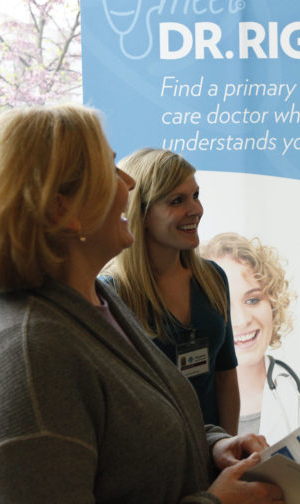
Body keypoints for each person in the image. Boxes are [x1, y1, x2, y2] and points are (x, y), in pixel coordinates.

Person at [0, 104, 282, 504]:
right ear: (62, 209)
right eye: (109, 169)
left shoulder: (95, 302)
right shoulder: (28, 360)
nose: (128, 183)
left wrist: (210, 444)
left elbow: (136, 429)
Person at [103, 148, 240, 435]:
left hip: (214, 454)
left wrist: (230, 451)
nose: (196, 210)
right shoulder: (111, 295)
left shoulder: (213, 278)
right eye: (177, 200)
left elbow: (226, 376)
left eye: (196, 195)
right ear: (140, 212)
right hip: (155, 466)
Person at [201, 232, 300, 444]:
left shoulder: (297, 394)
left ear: (273, 303)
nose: (241, 320)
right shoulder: (190, 401)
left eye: (253, 300)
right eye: (225, 305)